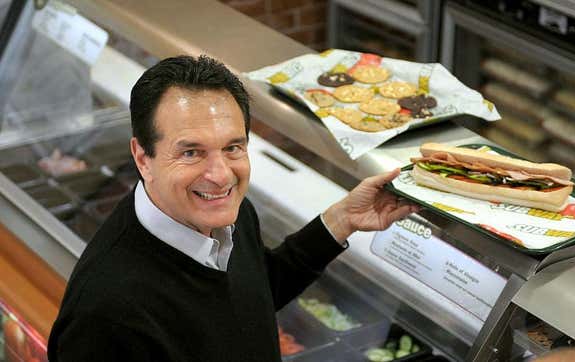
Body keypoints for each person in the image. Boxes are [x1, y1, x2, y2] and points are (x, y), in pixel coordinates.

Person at [47, 55, 420, 361]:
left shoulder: (234, 215)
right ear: (143, 157)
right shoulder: (104, 316)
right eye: (191, 152)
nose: (221, 175)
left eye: (233, 147)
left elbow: (252, 294)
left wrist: (341, 220)